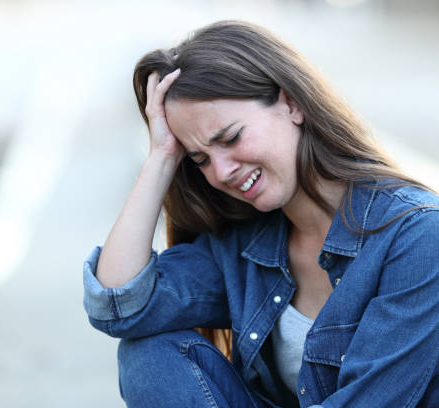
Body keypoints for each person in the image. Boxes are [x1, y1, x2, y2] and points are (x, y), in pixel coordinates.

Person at [82, 20, 439, 407]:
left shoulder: (416, 234)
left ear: (292, 104)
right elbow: (120, 306)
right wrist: (162, 158)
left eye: (231, 137)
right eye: (200, 159)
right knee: (147, 353)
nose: (221, 172)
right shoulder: (246, 244)